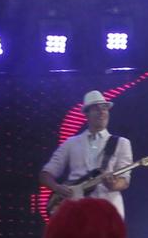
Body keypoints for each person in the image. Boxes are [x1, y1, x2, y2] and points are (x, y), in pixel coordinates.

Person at [40, 89, 134, 217]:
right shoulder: (71, 143)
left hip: (108, 212)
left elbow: (124, 181)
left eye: (104, 108)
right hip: (76, 211)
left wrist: (112, 184)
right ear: (87, 114)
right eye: (96, 109)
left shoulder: (121, 143)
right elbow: (46, 174)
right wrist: (57, 188)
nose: (102, 112)